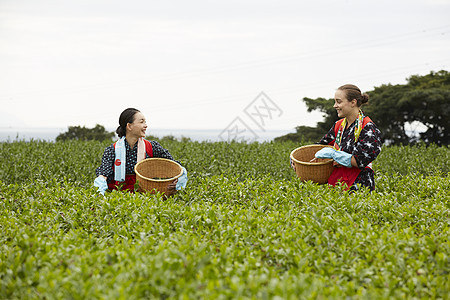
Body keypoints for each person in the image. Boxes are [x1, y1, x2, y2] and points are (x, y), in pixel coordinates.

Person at [94, 108, 188, 195]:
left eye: (145, 122)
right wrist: (99, 193)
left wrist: (178, 180)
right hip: (119, 197)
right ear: (129, 126)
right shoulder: (112, 150)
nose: (145, 125)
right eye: (142, 122)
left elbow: (174, 166)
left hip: (145, 196)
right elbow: (103, 175)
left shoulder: (152, 147)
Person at [311, 84, 382, 191]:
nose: (335, 106)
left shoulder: (368, 128)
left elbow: (359, 161)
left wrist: (333, 154)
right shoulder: (339, 125)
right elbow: (320, 146)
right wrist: (298, 159)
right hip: (336, 184)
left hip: (359, 185)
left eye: (339, 102)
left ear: (353, 102)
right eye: (335, 102)